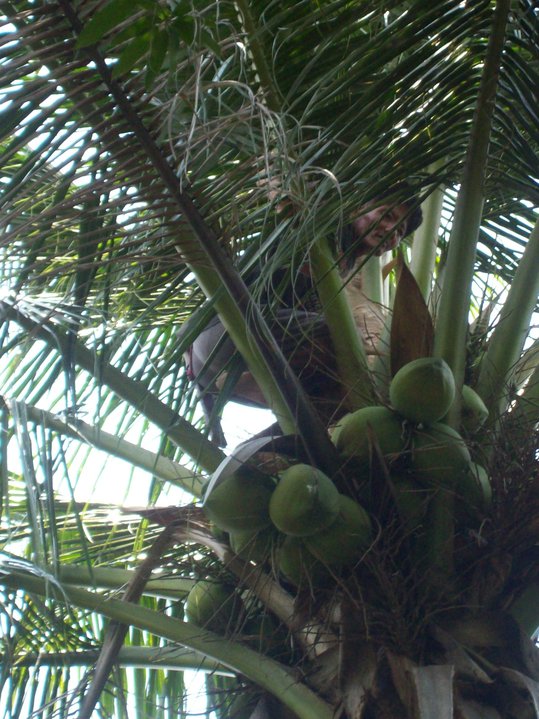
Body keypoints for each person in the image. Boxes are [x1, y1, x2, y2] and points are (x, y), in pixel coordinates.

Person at [184, 188, 423, 443]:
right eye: (386, 216)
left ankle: (262, 450)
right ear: (356, 208)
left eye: (399, 231)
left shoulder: (346, 259)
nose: (391, 231)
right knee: (347, 345)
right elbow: (287, 194)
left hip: (216, 365)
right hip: (229, 334)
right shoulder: (330, 228)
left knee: (338, 400)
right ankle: (270, 396)